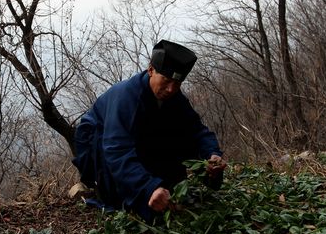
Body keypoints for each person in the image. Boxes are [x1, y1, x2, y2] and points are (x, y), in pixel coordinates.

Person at [72, 39, 226, 222]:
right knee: (138, 203)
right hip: (100, 147)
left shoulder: (175, 98)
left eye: (177, 84)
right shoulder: (126, 97)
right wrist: (147, 187)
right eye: (166, 80)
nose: (171, 89)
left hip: (140, 140)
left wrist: (212, 154)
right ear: (151, 70)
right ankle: (103, 190)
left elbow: (197, 131)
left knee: (178, 136)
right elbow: (117, 151)